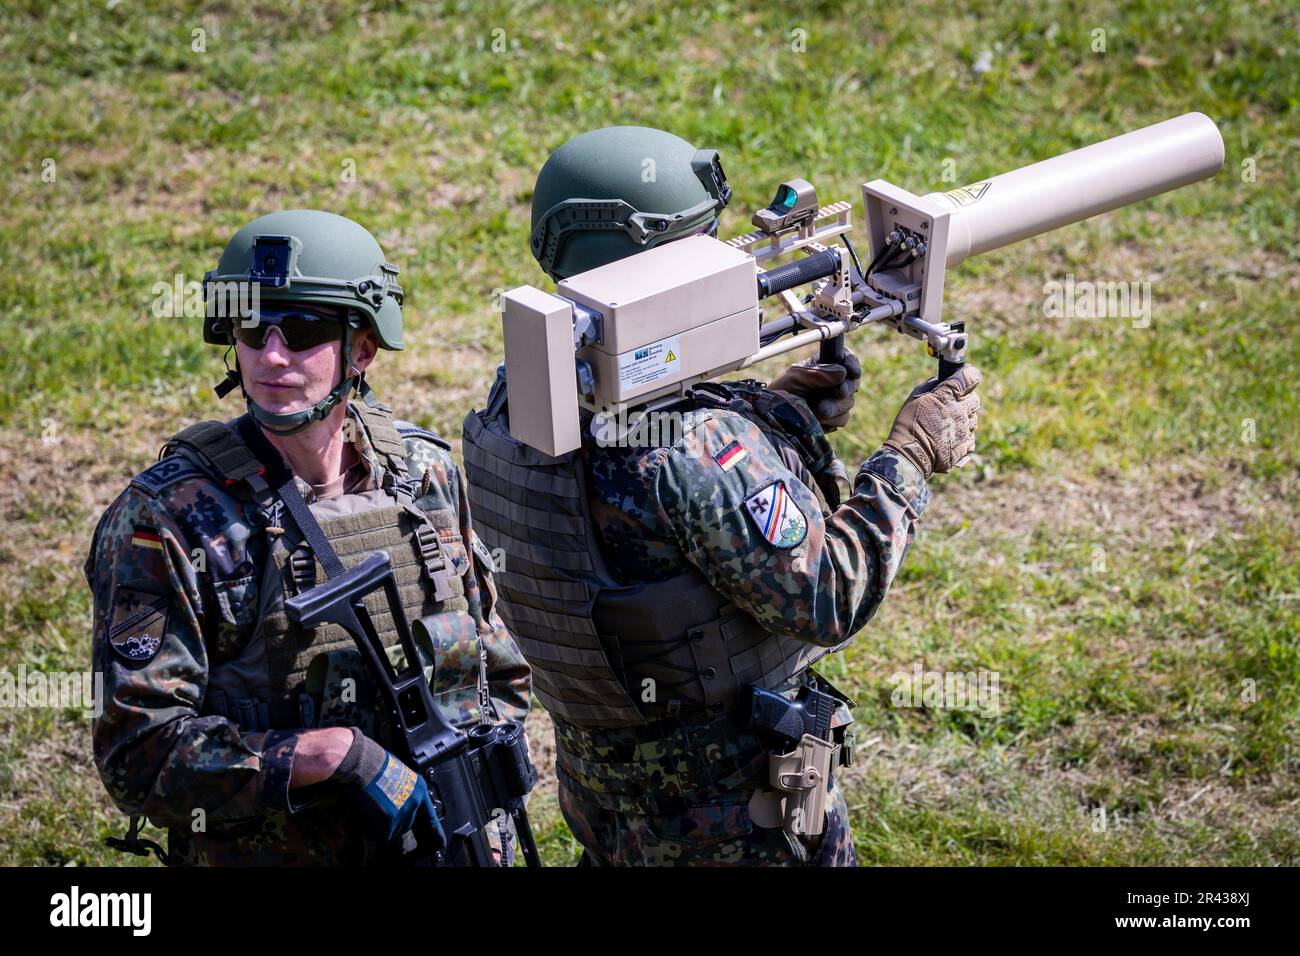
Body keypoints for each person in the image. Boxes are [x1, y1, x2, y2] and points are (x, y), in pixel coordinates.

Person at [464, 127, 980, 866]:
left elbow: (632, 518)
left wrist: (777, 413)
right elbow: (829, 594)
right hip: (733, 816)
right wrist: (912, 454)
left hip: (606, 798)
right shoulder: (692, 448)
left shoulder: (516, 399)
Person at [87, 209, 531, 866]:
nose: (272, 354)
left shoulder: (426, 478)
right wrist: (329, 758)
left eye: (302, 330)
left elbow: (498, 673)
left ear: (364, 348)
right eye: (251, 329)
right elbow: (139, 756)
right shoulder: (169, 518)